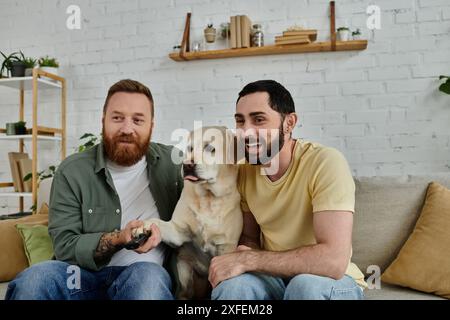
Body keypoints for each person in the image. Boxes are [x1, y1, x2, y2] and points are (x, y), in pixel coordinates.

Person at [6, 79, 183, 300]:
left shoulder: (174, 164)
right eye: (117, 118)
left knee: (147, 285)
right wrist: (119, 239)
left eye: (138, 120)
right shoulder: (72, 171)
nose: (127, 129)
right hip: (80, 274)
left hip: (142, 272)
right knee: (35, 280)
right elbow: (64, 246)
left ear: (151, 126)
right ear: (103, 121)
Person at [208, 80, 366, 300]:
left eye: (259, 119)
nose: (245, 132)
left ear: (289, 123)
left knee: (304, 287)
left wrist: (250, 260)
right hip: (274, 277)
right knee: (234, 287)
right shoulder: (244, 172)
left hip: (331, 281)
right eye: (240, 121)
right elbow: (250, 238)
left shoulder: (325, 162)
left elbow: (333, 260)